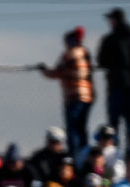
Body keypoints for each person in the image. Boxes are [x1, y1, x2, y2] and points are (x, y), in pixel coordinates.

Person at [40, 26, 95, 158]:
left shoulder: (69, 54)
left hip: (74, 96)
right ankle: (83, 154)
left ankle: (75, 157)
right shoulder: (85, 53)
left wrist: (44, 70)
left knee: (72, 130)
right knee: (82, 129)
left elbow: (57, 72)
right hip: (87, 96)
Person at [96, 8, 130, 143]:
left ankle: (115, 153)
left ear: (114, 21)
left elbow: (101, 61)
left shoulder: (110, 40)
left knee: (113, 125)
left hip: (116, 86)